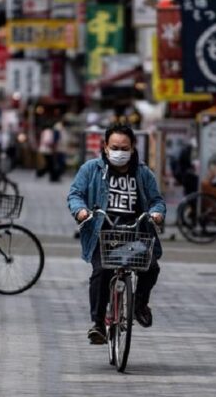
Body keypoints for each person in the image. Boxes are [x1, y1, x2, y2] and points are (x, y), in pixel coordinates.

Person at [67, 124, 166, 344]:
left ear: (132, 149)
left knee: (151, 268)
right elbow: (75, 194)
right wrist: (81, 211)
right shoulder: (90, 169)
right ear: (105, 147)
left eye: (124, 148)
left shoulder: (142, 174)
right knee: (102, 272)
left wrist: (157, 213)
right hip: (103, 236)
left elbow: (157, 201)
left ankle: (139, 304)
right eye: (115, 147)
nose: (119, 152)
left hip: (135, 235)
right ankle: (99, 324)